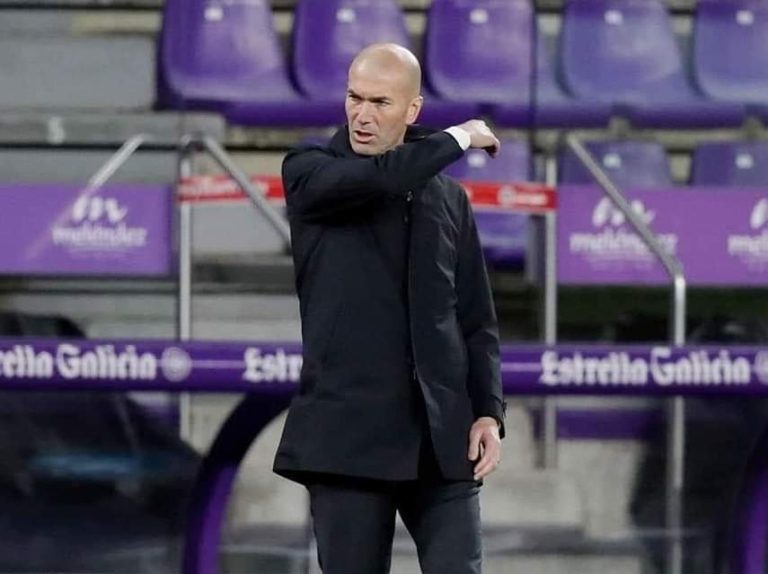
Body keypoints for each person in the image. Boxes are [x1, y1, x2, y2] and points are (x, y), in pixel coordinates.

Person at [273, 43, 506, 574]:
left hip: (441, 440)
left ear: (412, 109)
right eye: (354, 98)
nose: (362, 114)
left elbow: (475, 319)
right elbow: (382, 177)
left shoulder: (450, 199)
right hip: (348, 442)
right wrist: (460, 136)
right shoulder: (309, 172)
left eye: (380, 102)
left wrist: (488, 411)